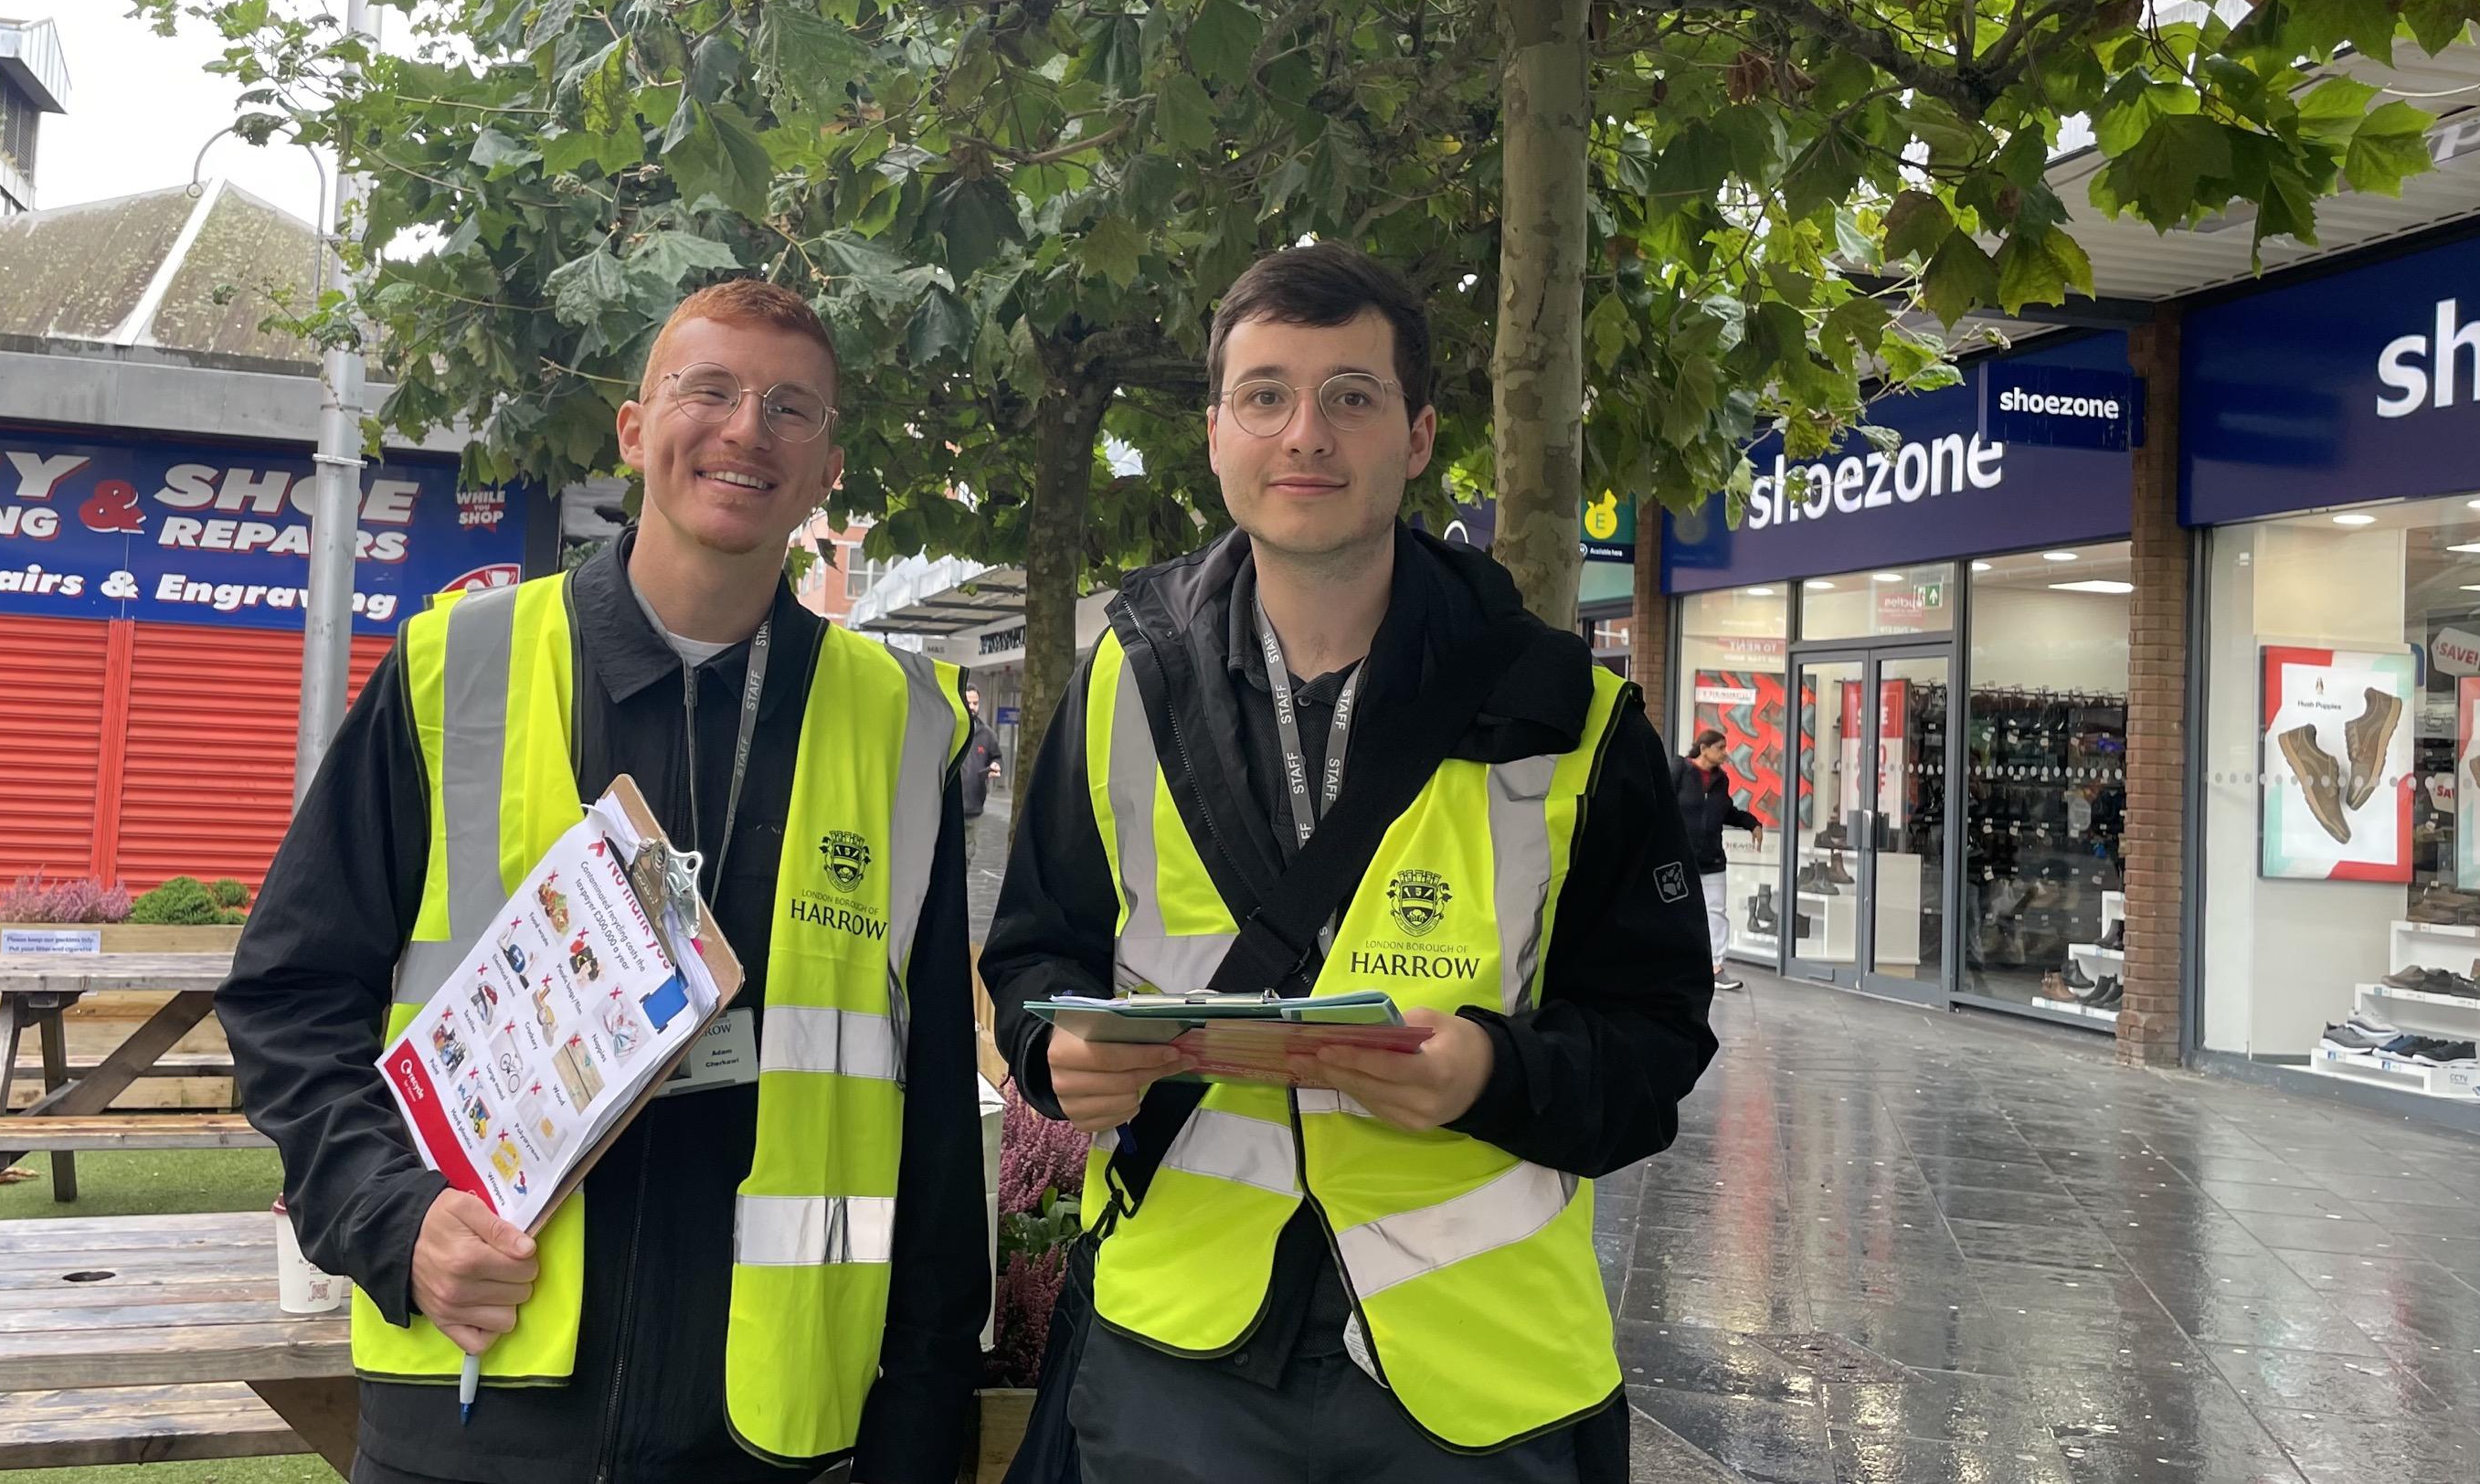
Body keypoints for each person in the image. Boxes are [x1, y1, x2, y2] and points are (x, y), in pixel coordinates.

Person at [218, 280, 986, 1484]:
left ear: (829, 466)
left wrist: (930, 1413)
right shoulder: (454, 671)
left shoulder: (903, 730)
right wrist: (392, 1218)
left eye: (791, 408)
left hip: (773, 1429)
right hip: (482, 1405)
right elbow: (287, 997)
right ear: (634, 431)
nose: (746, 430)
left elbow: (934, 1105)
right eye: (710, 391)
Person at [980, 244, 1717, 1484]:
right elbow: (1033, 958)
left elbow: (1655, 1049)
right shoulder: (1122, 681)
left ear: (1419, 437)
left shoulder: (1568, 715)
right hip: (1178, 1361)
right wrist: (1055, 1059)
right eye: (1265, 395)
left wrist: (1495, 1073)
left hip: (1483, 1384)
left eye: (1352, 396)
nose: (1304, 433)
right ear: (1216, 434)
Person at [1673, 728, 1765, 991]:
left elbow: (1725, 811)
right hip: (1680, 858)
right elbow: (1662, 803)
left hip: (1712, 858)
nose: (1726, 753)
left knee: (1716, 912)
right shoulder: (1679, 770)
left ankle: (1715, 967)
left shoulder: (1720, 780)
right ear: (1704, 749)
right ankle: (1676, 967)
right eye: (1720, 748)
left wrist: (1751, 823)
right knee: (1677, 911)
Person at [958, 684, 1003, 820]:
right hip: (946, 808)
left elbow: (997, 757)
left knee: (970, 841)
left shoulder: (988, 734)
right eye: (968, 702)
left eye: (975, 703)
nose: (972, 707)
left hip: (973, 807)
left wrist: (996, 765)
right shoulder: (949, 731)